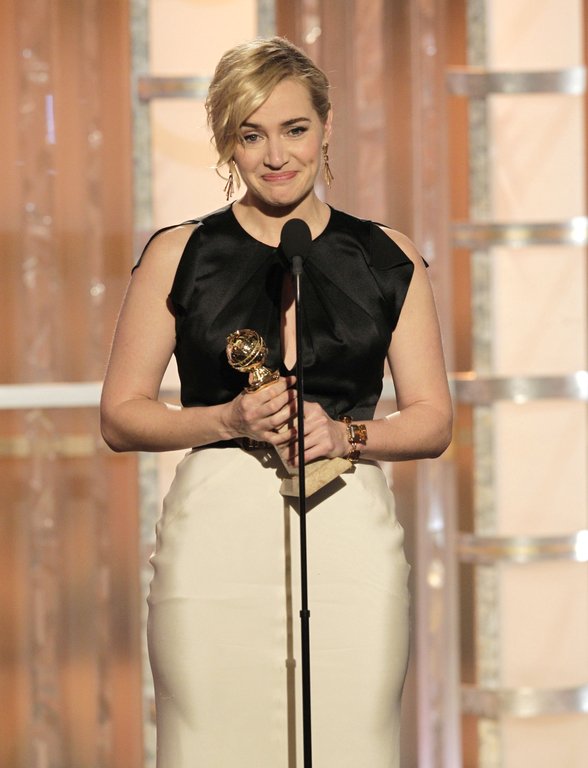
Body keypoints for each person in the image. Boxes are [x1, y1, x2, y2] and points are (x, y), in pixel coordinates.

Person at [100, 36, 452, 768]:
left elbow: (433, 419)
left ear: (325, 127)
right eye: (251, 134)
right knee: (210, 744)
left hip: (347, 526)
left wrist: (347, 436)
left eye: (294, 129)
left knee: (353, 741)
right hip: (215, 534)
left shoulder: (386, 256)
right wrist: (224, 419)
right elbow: (120, 414)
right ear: (227, 142)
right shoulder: (180, 252)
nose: (275, 155)